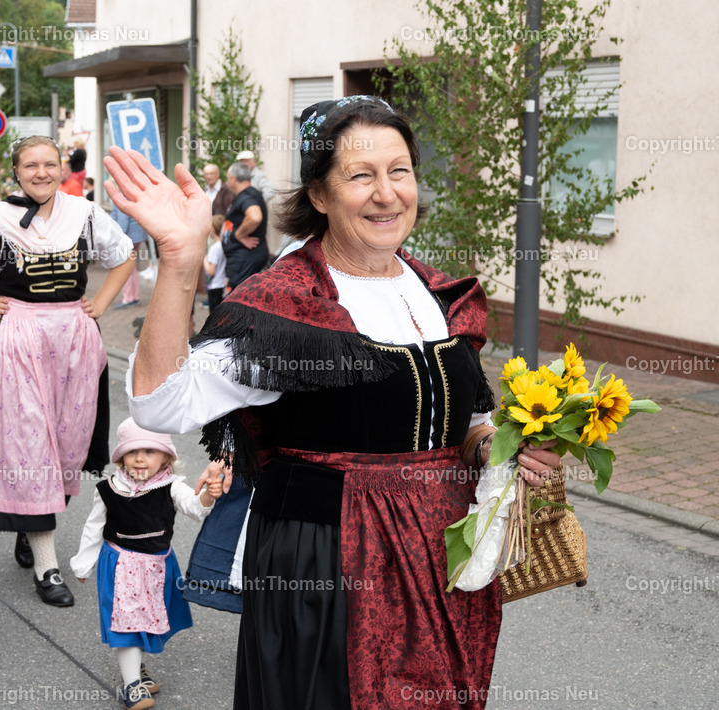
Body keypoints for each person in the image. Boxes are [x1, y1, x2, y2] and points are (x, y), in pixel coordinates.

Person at [104, 95, 562, 709]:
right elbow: (162, 407)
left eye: (399, 172)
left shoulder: (437, 293)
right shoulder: (287, 304)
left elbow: (468, 423)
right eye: (360, 176)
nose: (387, 193)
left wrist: (501, 452)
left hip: (443, 561)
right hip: (329, 562)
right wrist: (181, 264)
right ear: (318, 194)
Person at [0, 135, 134, 607]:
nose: (41, 172)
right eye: (30, 165)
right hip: (19, 337)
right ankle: (48, 567)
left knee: (64, 447)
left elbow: (124, 255)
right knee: (30, 446)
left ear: (61, 168)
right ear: (16, 172)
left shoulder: (84, 213)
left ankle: (30, 521)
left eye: (49, 164)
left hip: (74, 340)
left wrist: (101, 303)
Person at [70, 418, 222, 710]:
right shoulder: (110, 489)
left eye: (149, 451)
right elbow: (94, 528)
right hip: (119, 566)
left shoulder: (172, 486)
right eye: (132, 451)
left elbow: (194, 508)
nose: (140, 458)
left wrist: (207, 495)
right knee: (126, 624)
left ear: (166, 457)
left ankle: (136, 670)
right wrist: (83, 564)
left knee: (147, 621)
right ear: (121, 457)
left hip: (157, 568)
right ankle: (132, 686)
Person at [220, 162, 268, 290]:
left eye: (228, 177)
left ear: (233, 179)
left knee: (238, 301)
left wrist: (239, 235)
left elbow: (254, 217)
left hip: (244, 259)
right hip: (243, 259)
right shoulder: (248, 194)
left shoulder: (247, 195)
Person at [111, 200, 148, 309]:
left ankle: (128, 299)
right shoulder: (132, 196)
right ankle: (134, 297)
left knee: (125, 267)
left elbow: (123, 220)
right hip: (136, 236)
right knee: (132, 267)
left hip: (127, 237)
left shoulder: (122, 197)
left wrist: (118, 238)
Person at [203, 214, 227, 313]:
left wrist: (204, 260)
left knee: (213, 316)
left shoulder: (214, 248)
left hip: (214, 286)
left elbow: (211, 271)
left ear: (212, 229)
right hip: (222, 285)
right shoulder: (225, 245)